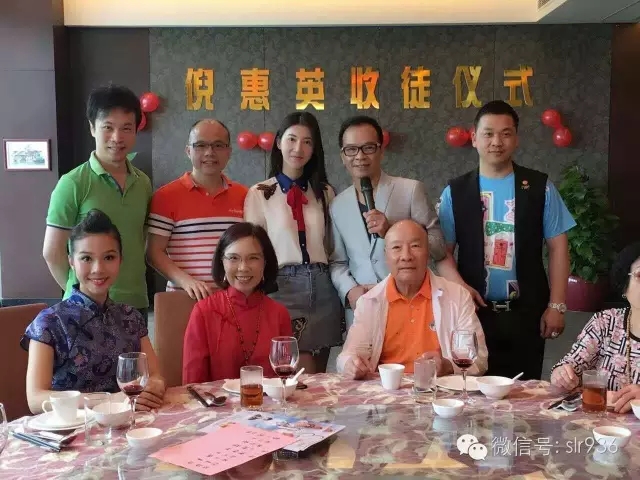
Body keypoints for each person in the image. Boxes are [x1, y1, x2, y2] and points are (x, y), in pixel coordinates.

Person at [437, 100, 576, 380]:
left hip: (527, 312)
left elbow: (559, 248)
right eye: (488, 133)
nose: (496, 142)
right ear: (474, 138)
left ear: (516, 139)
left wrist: (556, 305)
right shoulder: (455, 192)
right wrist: (461, 288)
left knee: (524, 392)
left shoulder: (539, 187)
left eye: (506, 133)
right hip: (473, 312)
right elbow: (442, 253)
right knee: (471, 389)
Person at [329, 115, 477, 332]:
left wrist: (392, 229)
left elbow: (438, 247)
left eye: (368, 148)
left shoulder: (410, 190)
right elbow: (337, 262)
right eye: (351, 149)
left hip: (412, 306)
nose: (360, 156)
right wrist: (350, 291)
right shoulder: (337, 204)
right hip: (363, 311)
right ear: (343, 156)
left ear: (381, 150)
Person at [22, 210, 165, 414]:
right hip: (72, 427)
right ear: (71, 261)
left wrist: (155, 386)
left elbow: (155, 376)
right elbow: (36, 399)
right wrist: (111, 400)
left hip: (129, 422)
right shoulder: (50, 322)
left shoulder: (130, 317)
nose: (98, 268)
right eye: (86, 258)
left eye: (109, 257)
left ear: (120, 260)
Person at [243, 112, 342, 374]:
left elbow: (332, 244)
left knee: (320, 375)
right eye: (292, 139)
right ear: (278, 142)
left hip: (323, 286)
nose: (299, 148)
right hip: (282, 286)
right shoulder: (260, 193)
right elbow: (254, 248)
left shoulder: (325, 192)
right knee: (294, 370)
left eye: (307, 142)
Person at [43, 85, 152, 318]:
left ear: (135, 131)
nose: (117, 137)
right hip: (84, 307)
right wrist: (82, 292)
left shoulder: (143, 182)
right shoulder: (72, 183)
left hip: (135, 302)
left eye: (126, 128)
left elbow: (140, 239)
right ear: (92, 128)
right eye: (108, 127)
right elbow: (53, 252)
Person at [337, 220, 488, 379]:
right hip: (386, 390)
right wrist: (350, 365)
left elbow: (479, 360)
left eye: (415, 246)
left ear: (428, 252)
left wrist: (448, 366)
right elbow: (346, 356)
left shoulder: (457, 296)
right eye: (396, 247)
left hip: (439, 389)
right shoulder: (369, 302)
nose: (406, 256)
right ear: (385, 255)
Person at [147, 119, 248, 300]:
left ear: (229, 152)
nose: (209, 152)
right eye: (200, 145)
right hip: (185, 298)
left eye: (218, 145)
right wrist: (187, 282)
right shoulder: (166, 196)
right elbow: (154, 253)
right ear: (188, 151)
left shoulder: (245, 195)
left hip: (234, 299)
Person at [182, 222, 292, 383]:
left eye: (253, 258)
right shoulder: (203, 311)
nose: (243, 267)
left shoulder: (279, 313)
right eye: (233, 258)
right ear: (222, 262)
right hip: (216, 399)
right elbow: (192, 386)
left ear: (265, 262)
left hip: (269, 399)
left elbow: (285, 381)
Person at [551, 243, 640, 413]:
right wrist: (562, 374)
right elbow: (571, 364)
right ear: (625, 285)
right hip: (598, 423)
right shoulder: (606, 322)